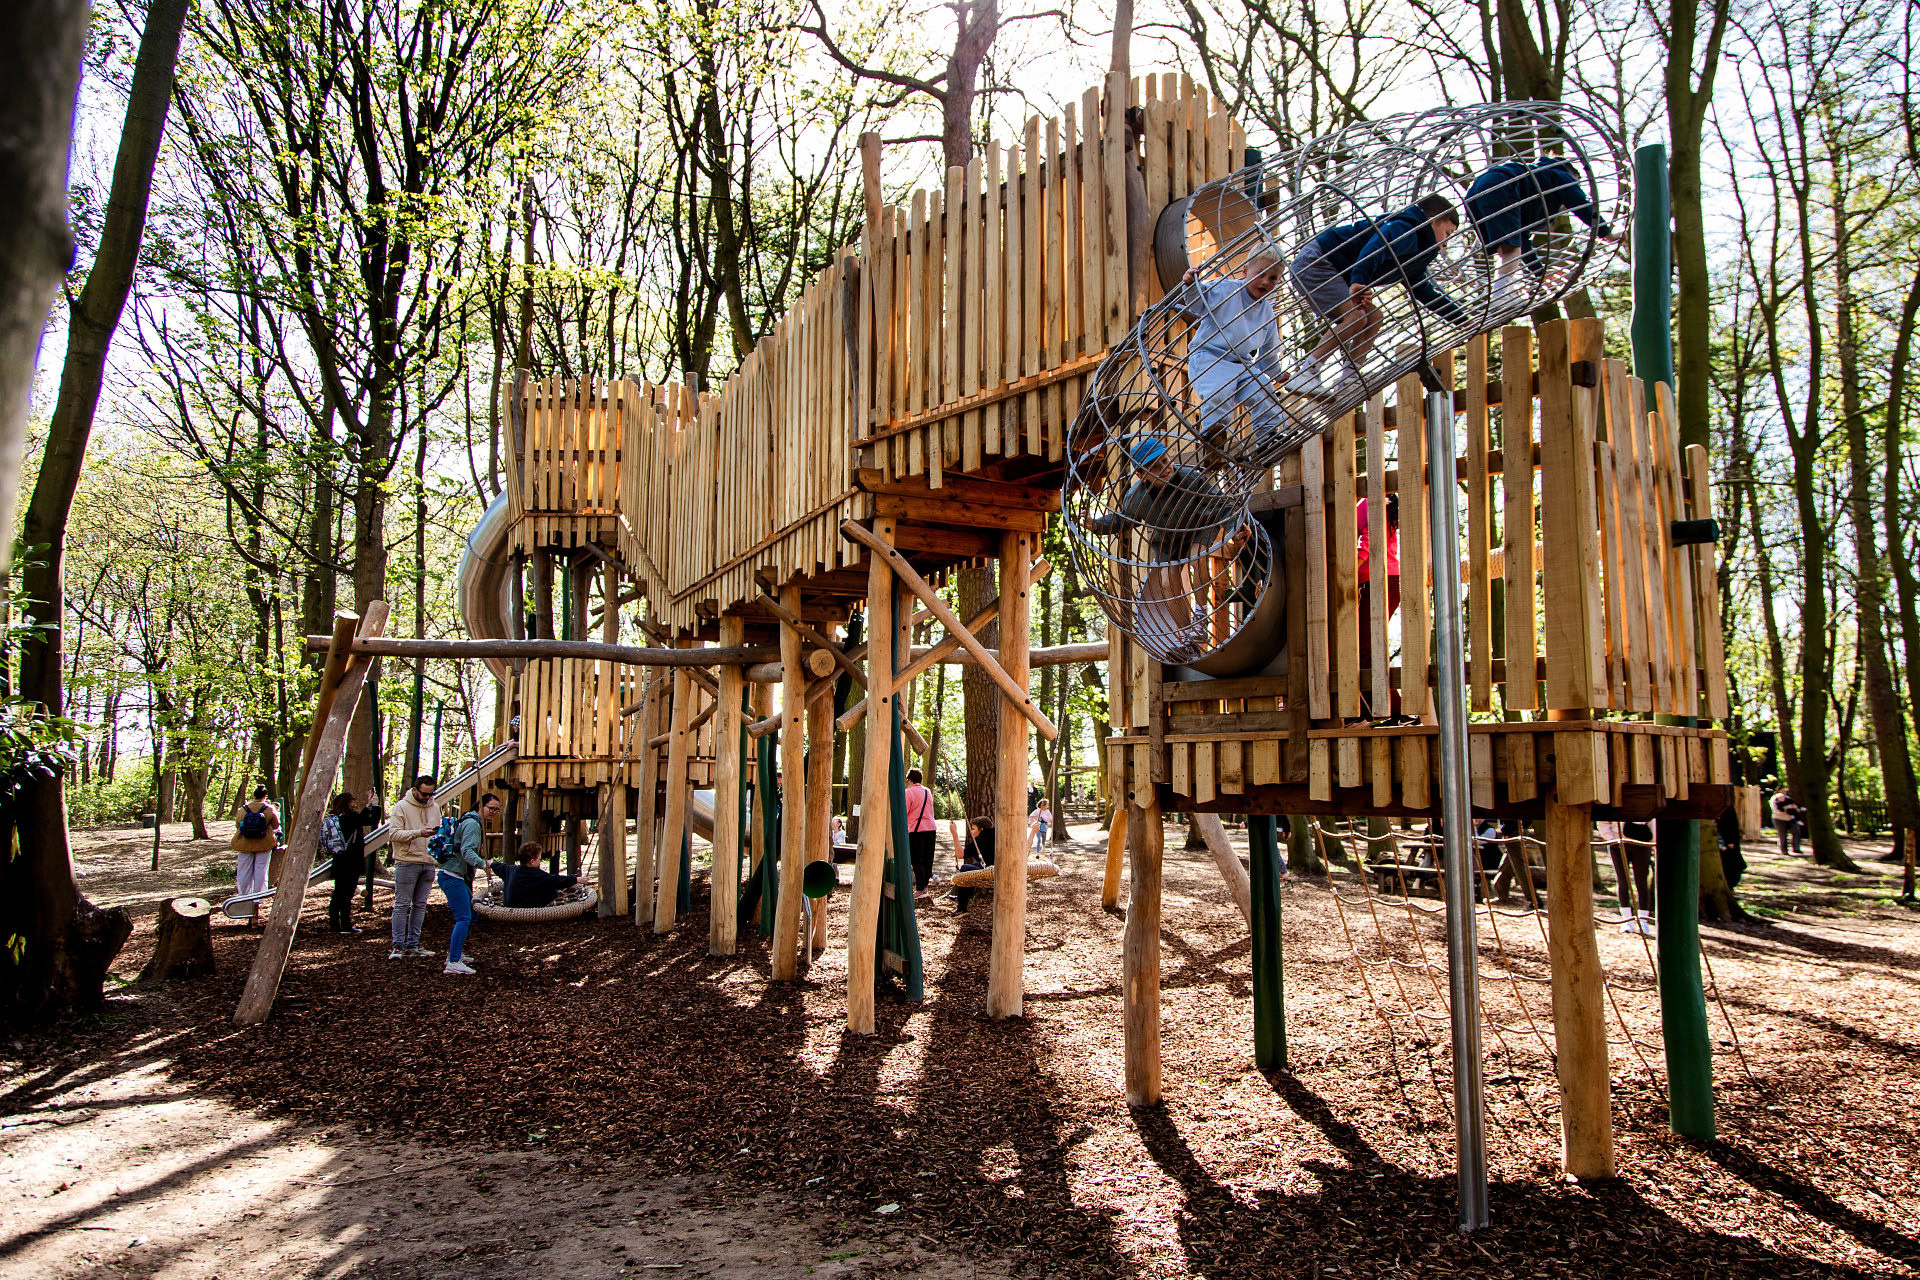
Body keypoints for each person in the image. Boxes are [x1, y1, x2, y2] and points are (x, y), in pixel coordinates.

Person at [1285, 195, 1467, 401]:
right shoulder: (1406, 228)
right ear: (1433, 221)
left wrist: (1461, 320)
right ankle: (1306, 372)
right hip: (1318, 262)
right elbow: (1377, 247)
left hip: (1338, 273)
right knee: (1356, 317)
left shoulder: (1419, 252)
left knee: (1374, 317)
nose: (1446, 242)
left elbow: (1423, 291)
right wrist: (1358, 280)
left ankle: (1349, 381)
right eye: (1447, 233)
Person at [1081, 435, 1242, 661]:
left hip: (1198, 525)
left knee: (1197, 557)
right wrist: (1095, 524)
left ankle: (1201, 613)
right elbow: (1123, 520)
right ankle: (1187, 636)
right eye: (1154, 468)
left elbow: (1223, 504)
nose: (1165, 468)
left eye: (1166, 460)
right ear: (1141, 475)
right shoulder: (1136, 497)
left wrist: (1235, 525)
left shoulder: (1192, 479)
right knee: (1167, 581)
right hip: (1167, 539)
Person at [1178, 251, 1291, 449]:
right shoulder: (1226, 290)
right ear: (1245, 270)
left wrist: (1276, 374)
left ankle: (1268, 438)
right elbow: (1197, 303)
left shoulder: (1267, 313)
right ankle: (1214, 442)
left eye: (1273, 278)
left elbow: (1268, 352)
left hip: (1241, 365)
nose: (1265, 282)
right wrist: (1190, 285)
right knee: (1219, 395)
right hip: (1210, 358)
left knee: (1264, 390)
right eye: (1260, 274)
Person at [1464, 157, 1614, 305]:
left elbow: (1522, 240)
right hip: (1502, 187)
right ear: (1572, 174)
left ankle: (1503, 291)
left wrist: (1539, 271)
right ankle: (1500, 295)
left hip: (1474, 194)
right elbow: (1582, 204)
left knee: (1507, 247)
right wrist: (1606, 233)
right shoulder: (1560, 174)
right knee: (1512, 249)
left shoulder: (1535, 179)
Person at [436, 793, 499, 975]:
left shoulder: (472, 821)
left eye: (496, 809)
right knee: (463, 917)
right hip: (451, 875)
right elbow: (466, 851)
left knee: (472, 914)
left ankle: (456, 953)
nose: (494, 812)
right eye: (491, 808)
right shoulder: (472, 824)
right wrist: (483, 863)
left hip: (459, 875)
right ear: (481, 806)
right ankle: (453, 961)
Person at [1354, 494, 1404, 720]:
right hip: (1382, 580)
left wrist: (1347, 570)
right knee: (1363, 648)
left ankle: (1395, 712)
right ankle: (1375, 710)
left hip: (1379, 580)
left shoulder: (1368, 502)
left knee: (1366, 648)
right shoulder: (1377, 504)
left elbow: (1369, 542)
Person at [387, 774, 443, 959]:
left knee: (420, 905)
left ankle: (413, 944)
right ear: (415, 790)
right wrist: (418, 833)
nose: (427, 797)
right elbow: (394, 834)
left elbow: (439, 832)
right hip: (407, 861)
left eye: (430, 794)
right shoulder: (401, 807)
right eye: (424, 794)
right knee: (402, 904)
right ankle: (398, 946)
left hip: (427, 862)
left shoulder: (435, 807)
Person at [324, 791, 382, 935]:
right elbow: (371, 820)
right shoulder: (351, 817)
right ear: (348, 802)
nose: (354, 802)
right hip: (351, 861)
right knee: (347, 894)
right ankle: (346, 925)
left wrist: (368, 806)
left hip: (339, 859)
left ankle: (334, 924)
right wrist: (374, 805)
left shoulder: (335, 817)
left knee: (338, 893)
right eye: (352, 800)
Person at [490, 839, 577, 909]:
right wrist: (576, 879)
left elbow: (497, 866)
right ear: (532, 861)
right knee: (552, 890)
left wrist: (490, 863)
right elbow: (556, 880)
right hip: (523, 907)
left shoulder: (510, 869)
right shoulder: (536, 875)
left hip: (509, 905)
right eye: (539, 859)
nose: (539, 861)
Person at [230, 786, 279, 907]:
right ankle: (259, 896)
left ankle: (244, 895)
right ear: (265, 796)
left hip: (245, 843)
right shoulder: (269, 809)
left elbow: (238, 824)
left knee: (243, 870)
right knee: (261, 870)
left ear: (254, 795)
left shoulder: (244, 809)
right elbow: (276, 825)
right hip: (264, 843)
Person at [950, 816, 995, 915]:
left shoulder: (979, 841)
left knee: (965, 868)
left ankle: (961, 908)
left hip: (992, 871)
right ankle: (960, 894)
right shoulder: (997, 834)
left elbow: (960, 854)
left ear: (981, 829)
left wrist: (954, 834)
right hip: (998, 867)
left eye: (973, 829)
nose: (971, 832)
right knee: (974, 864)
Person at [903, 767, 938, 892]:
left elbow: (904, 812)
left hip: (916, 830)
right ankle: (925, 887)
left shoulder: (908, 792)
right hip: (931, 829)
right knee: (927, 859)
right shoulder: (927, 791)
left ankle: (920, 889)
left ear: (909, 780)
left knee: (917, 860)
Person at [1771, 787, 1803, 857]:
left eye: (1785, 791)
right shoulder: (1775, 798)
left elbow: (1794, 806)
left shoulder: (1788, 798)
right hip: (1779, 819)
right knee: (1783, 835)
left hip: (1790, 818)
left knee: (1796, 831)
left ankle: (1796, 848)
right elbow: (1777, 809)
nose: (1784, 792)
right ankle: (1784, 850)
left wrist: (1794, 809)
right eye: (1783, 791)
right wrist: (1787, 808)